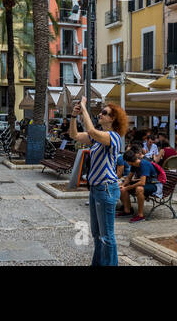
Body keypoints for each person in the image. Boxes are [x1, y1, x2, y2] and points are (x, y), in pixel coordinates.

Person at [66, 101, 127, 266]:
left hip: (106, 188)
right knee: (97, 234)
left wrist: (84, 107)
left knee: (107, 235)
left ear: (113, 119)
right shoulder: (98, 138)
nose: (100, 114)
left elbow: (90, 130)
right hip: (95, 189)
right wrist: (73, 116)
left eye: (104, 113)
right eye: (101, 112)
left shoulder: (113, 137)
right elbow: (74, 135)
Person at [118, 150, 160, 222]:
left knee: (139, 189)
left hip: (154, 185)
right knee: (121, 187)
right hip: (146, 183)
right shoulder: (134, 165)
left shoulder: (144, 164)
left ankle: (140, 215)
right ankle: (127, 210)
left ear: (128, 162)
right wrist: (123, 185)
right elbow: (128, 178)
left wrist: (127, 188)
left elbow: (142, 182)